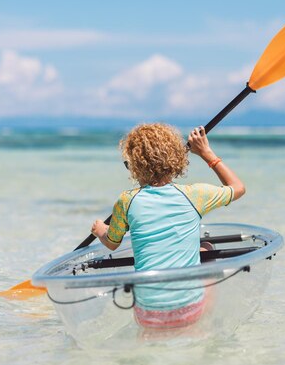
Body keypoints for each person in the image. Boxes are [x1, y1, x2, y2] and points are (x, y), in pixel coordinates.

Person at [90, 123, 245, 329]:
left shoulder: (126, 201)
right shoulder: (194, 195)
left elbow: (112, 243)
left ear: (134, 165)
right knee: (205, 249)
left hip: (146, 313)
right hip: (190, 310)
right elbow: (238, 188)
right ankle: (205, 321)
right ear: (177, 160)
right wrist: (207, 153)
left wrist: (101, 230)